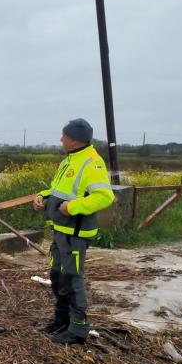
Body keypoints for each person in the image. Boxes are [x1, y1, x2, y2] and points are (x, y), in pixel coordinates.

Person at [32, 118, 114, 344]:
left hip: (75, 234)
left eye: (64, 136)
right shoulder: (69, 161)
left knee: (71, 278)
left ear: (74, 139)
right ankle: (61, 320)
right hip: (60, 231)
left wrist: (74, 207)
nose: (60, 139)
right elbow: (58, 190)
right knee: (57, 276)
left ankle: (78, 329)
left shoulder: (92, 163)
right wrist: (43, 196)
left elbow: (105, 196)